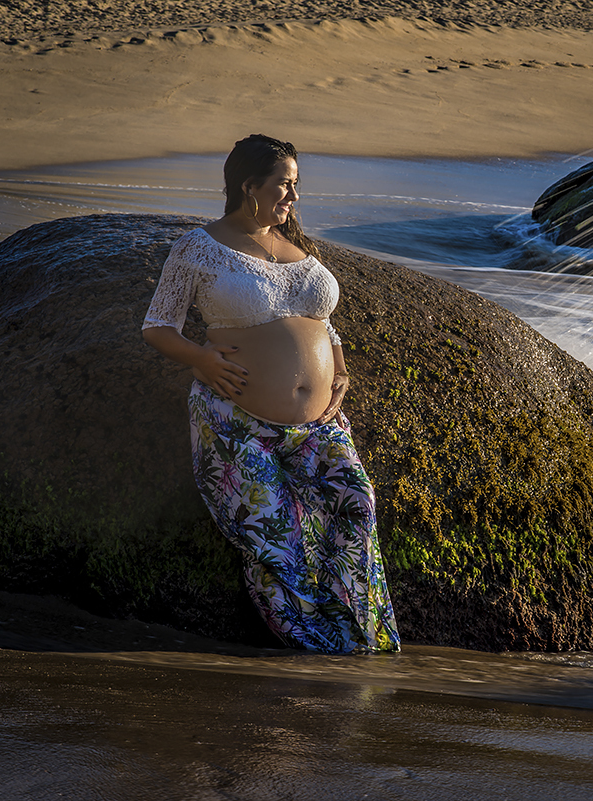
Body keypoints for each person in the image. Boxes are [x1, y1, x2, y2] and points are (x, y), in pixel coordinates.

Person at [142, 134, 400, 654]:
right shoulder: (198, 247)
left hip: (319, 424)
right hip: (238, 421)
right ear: (248, 185)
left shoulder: (299, 248)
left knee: (357, 502)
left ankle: (359, 638)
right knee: (273, 537)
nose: (294, 197)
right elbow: (157, 325)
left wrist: (341, 372)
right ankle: (306, 649)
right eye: (285, 184)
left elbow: (324, 324)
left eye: (296, 185)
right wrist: (202, 358)